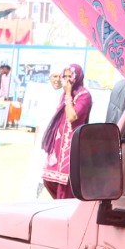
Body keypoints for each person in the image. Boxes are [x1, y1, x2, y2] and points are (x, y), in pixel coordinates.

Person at [41, 63, 92, 199]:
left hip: (72, 144)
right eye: (66, 76)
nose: (68, 80)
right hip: (58, 143)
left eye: (71, 76)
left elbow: (72, 117)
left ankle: (66, 207)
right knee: (49, 179)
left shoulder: (84, 95)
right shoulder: (63, 94)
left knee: (65, 184)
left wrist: (68, 94)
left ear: (78, 76)